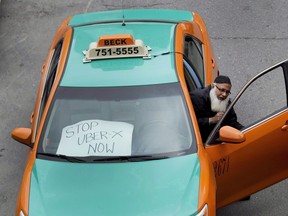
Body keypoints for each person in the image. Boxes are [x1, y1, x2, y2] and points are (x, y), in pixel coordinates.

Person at [190, 75, 243, 142]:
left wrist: (246, 131)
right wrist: (210, 120)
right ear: (213, 86)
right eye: (222, 90)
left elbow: (232, 122)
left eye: (227, 92)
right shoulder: (197, 98)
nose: (224, 94)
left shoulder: (226, 101)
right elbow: (188, 123)